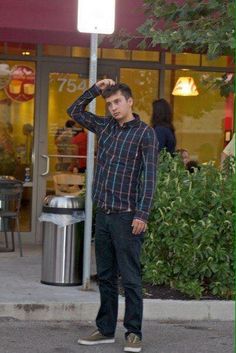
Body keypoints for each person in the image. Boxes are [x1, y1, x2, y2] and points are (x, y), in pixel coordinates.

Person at [67, 79, 158, 353]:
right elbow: (75, 111)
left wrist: (142, 213)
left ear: (130, 101)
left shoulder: (145, 134)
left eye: (117, 102)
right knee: (105, 276)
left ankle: (133, 332)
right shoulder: (105, 126)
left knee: (130, 278)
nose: (113, 108)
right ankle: (106, 329)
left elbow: (150, 177)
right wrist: (95, 90)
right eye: (109, 104)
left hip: (127, 216)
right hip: (104, 215)